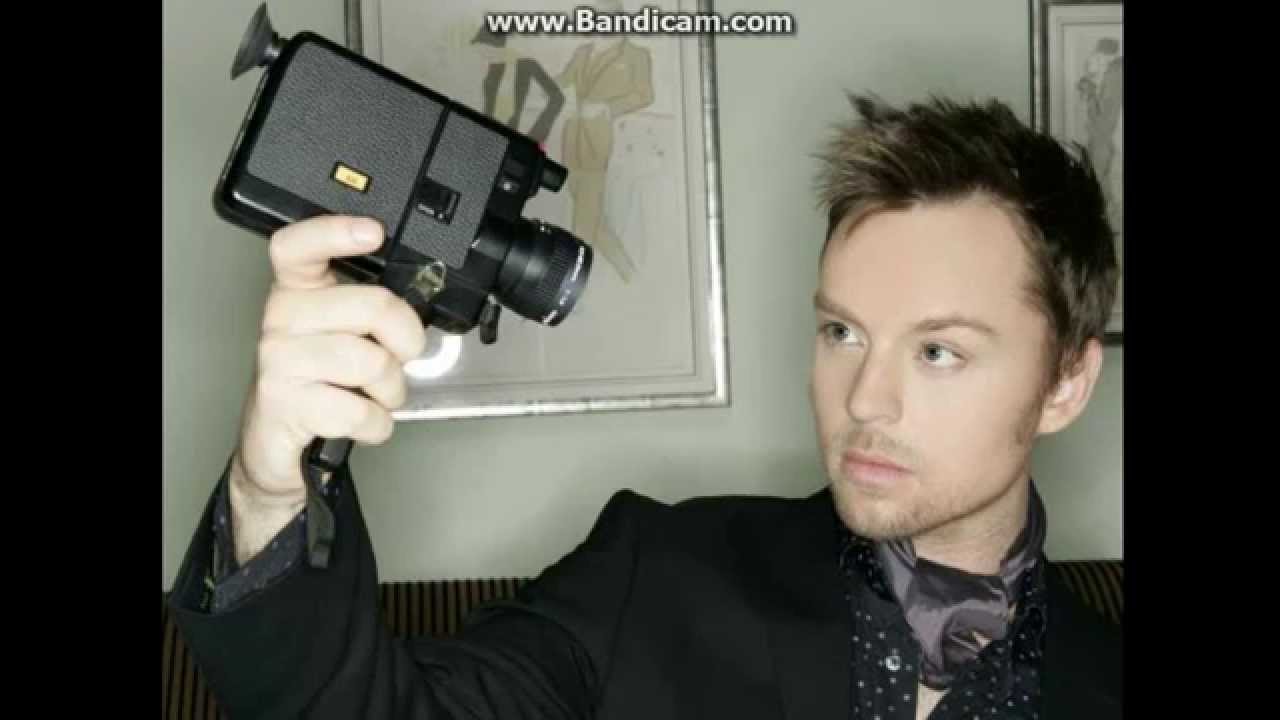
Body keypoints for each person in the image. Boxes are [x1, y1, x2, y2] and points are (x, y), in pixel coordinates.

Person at [167, 93, 1121, 719]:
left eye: (939, 350)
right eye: (842, 332)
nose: (866, 398)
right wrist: (270, 485)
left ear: (1066, 383)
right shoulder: (657, 570)